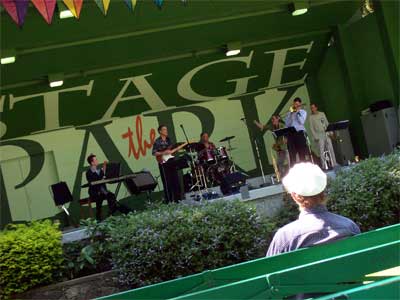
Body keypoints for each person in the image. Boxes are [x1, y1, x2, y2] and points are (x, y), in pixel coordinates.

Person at [266, 162, 360, 257]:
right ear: (323, 192)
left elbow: (269, 269)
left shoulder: (285, 238)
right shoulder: (350, 227)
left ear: (295, 196)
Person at [86, 154, 129, 221]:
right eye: (96, 160)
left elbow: (105, 176)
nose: (97, 161)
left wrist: (104, 170)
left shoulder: (99, 171)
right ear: (92, 163)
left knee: (111, 196)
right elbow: (94, 181)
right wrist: (102, 174)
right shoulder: (89, 172)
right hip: (95, 192)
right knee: (99, 202)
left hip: (103, 191)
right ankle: (103, 217)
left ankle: (111, 213)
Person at [152, 125, 181, 203]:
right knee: (167, 182)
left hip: (171, 160)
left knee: (175, 180)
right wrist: (164, 152)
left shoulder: (169, 140)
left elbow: (170, 150)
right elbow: (154, 153)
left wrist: (176, 149)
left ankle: (178, 199)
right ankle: (169, 201)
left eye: (166, 129)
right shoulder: (157, 141)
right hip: (163, 163)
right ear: (160, 131)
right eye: (164, 130)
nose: (166, 131)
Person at [309, 103, 338, 169]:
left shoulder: (322, 114)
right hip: (319, 135)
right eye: (311, 108)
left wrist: (330, 132)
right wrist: (315, 137)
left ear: (316, 107)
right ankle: (324, 166)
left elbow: (327, 123)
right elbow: (311, 128)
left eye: (313, 107)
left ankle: (334, 163)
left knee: (331, 148)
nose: (312, 109)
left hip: (326, 133)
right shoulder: (311, 117)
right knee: (321, 151)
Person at [284, 97, 309, 165]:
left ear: (300, 104)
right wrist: (291, 114)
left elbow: (301, 122)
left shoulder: (303, 112)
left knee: (302, 153)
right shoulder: (289, 113)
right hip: (290, 134)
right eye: (295, 104)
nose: (296, 106)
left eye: (297, 104)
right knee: (292, 154)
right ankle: (294, 170)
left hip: (299, 133)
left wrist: (298, 112)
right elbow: (287, 124)